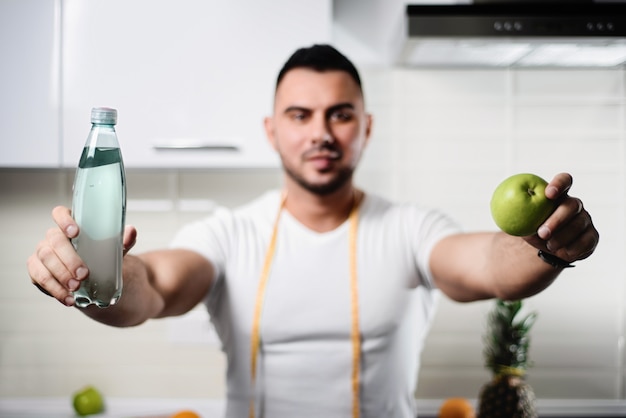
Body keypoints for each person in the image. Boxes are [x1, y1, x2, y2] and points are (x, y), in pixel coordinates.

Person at [27, 44, 599, 418]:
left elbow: (488, 265)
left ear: (365, 127)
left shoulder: (409, 228)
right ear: (272, 131)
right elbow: (151, 285)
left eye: (340, 113)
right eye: (300, 115)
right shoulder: (230, 233)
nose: (320, 132)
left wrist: (544, 246)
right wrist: (92, 271)